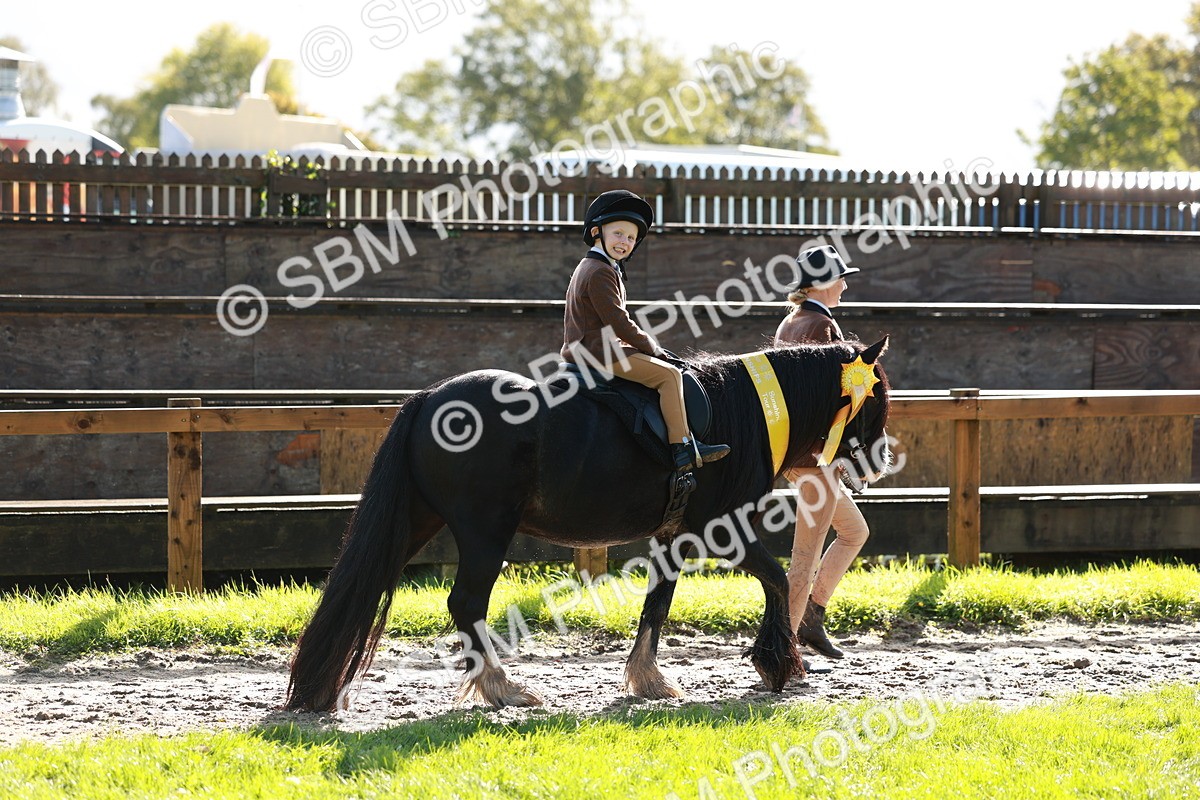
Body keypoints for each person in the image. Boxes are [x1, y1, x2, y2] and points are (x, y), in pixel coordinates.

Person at [561, 189, 729, 471]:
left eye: (631, 238)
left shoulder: (591, 265)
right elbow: (619, 321)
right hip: (599, 353)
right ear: (596, 232)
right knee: (670, 375)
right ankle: (683, 447)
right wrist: (652, 347)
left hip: (591, 349)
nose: (624, 242)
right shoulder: (600, 271)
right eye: (618, 233)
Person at [775, 244, 871, 660]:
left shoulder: (793, 321)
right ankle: (783, 646)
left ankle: (812, 617)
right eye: (840, 277)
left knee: (855, 532)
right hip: (815, 459)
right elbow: (827, 398)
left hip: (799, 455)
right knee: (804, 557)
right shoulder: (819, 327)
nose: (845, 284)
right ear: (822, 284)